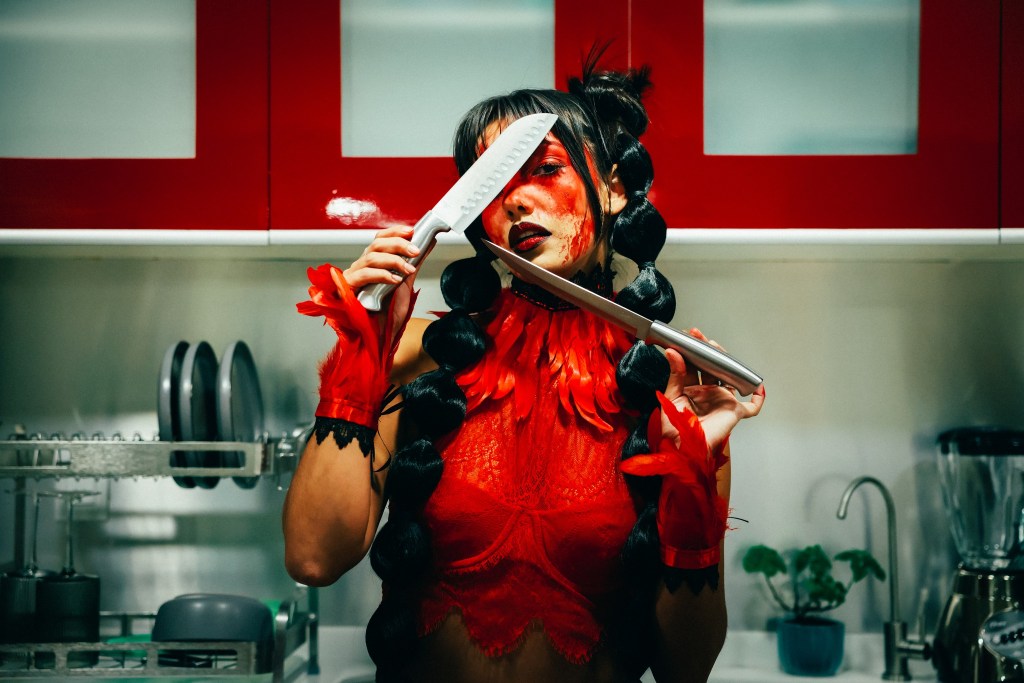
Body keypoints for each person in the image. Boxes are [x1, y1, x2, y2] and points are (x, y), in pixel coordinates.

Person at [283, 57, 766, 683]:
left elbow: (687, 669)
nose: (515, 200)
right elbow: (314, 558)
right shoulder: (417, 356)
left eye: (545, 170)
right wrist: (360, 354)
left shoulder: (671, 392)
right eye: (493, 184)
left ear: (614, 189)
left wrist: (692, 478)